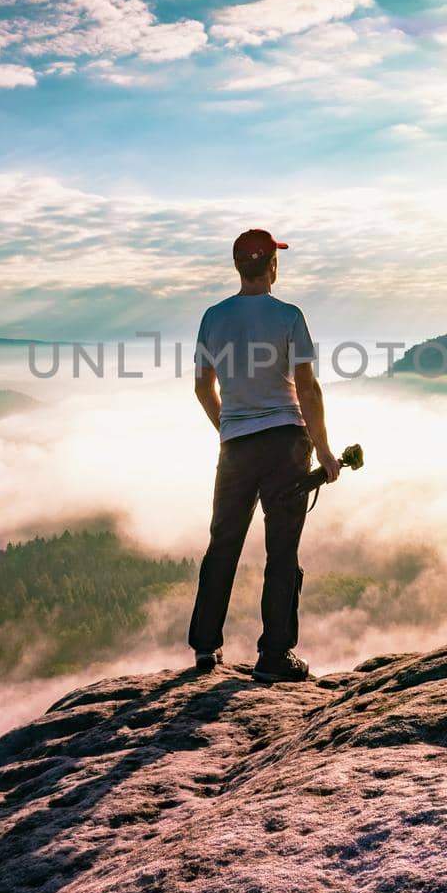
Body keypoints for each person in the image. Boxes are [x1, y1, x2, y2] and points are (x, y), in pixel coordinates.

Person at [188, 228, 340, 683]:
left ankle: (204, 648)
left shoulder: (213, 318)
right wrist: (325, 450)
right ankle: (275, 655)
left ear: (238, 266)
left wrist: (230, 429)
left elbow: (202, 387)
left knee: (223, 544)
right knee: (282, 550)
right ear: (272, 265)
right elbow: (307, 389)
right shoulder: (288, 316)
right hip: (286, 444)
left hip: (236, 446)